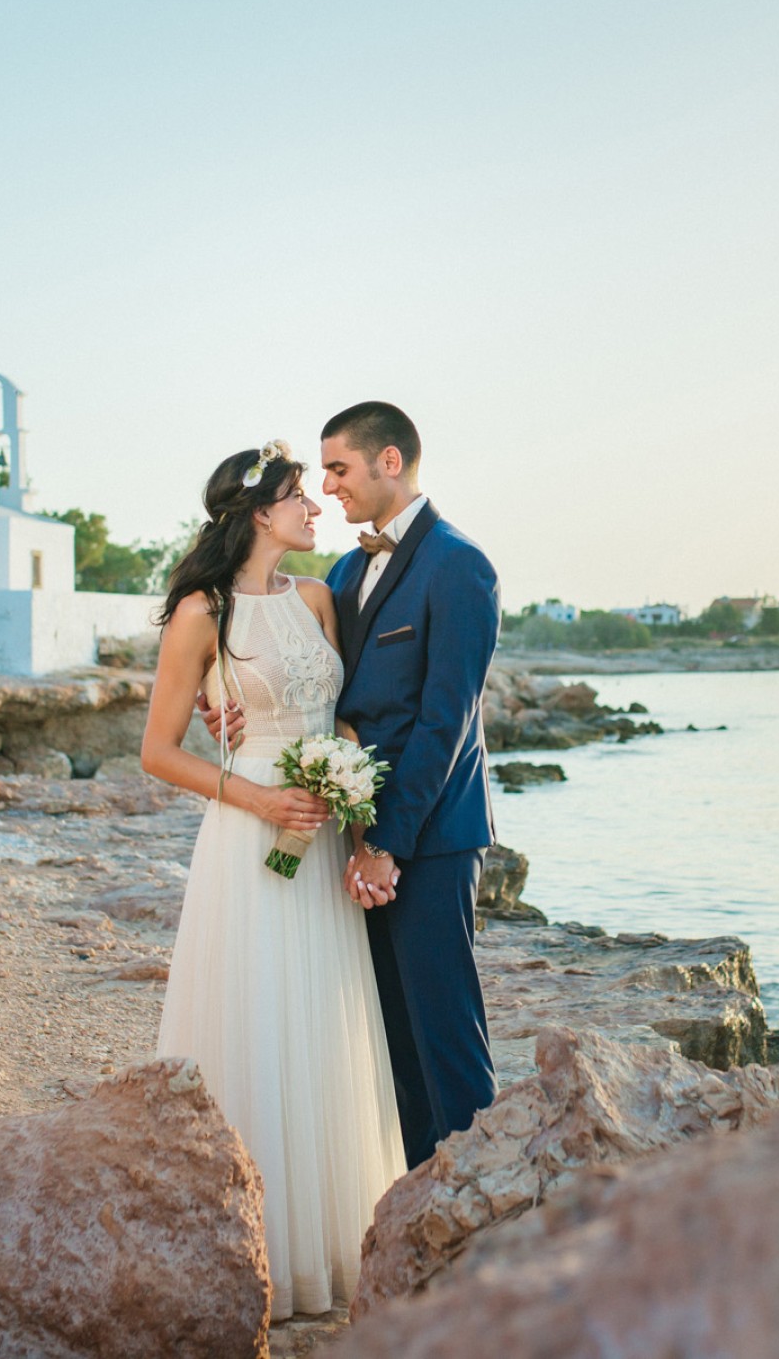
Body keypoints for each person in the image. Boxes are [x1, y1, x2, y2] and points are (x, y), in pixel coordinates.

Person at [141, 441, 405, 1322]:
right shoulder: (199, 614)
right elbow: (158, 751)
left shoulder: (320, 596)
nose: (317, 507)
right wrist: (258, 797)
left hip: (323, 836)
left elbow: (344, 716)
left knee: (322, 1023)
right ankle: (254, 1253)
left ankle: (330, 1250)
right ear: (261, 512)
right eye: (301, 496)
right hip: (249, 837)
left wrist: (354, 818)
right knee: (256, 1018)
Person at [320, 402, 501, 1168]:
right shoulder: (342, 569)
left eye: (338, 468)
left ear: (389, 461)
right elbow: (320, 688)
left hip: (428, 842)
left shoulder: (460, 565)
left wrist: (389, 844)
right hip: (356, 842)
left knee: (446, 1039)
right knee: (392, 1043)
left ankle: (489, 1217)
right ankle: (424, 1214)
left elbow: (445, 722)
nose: (328, 487)